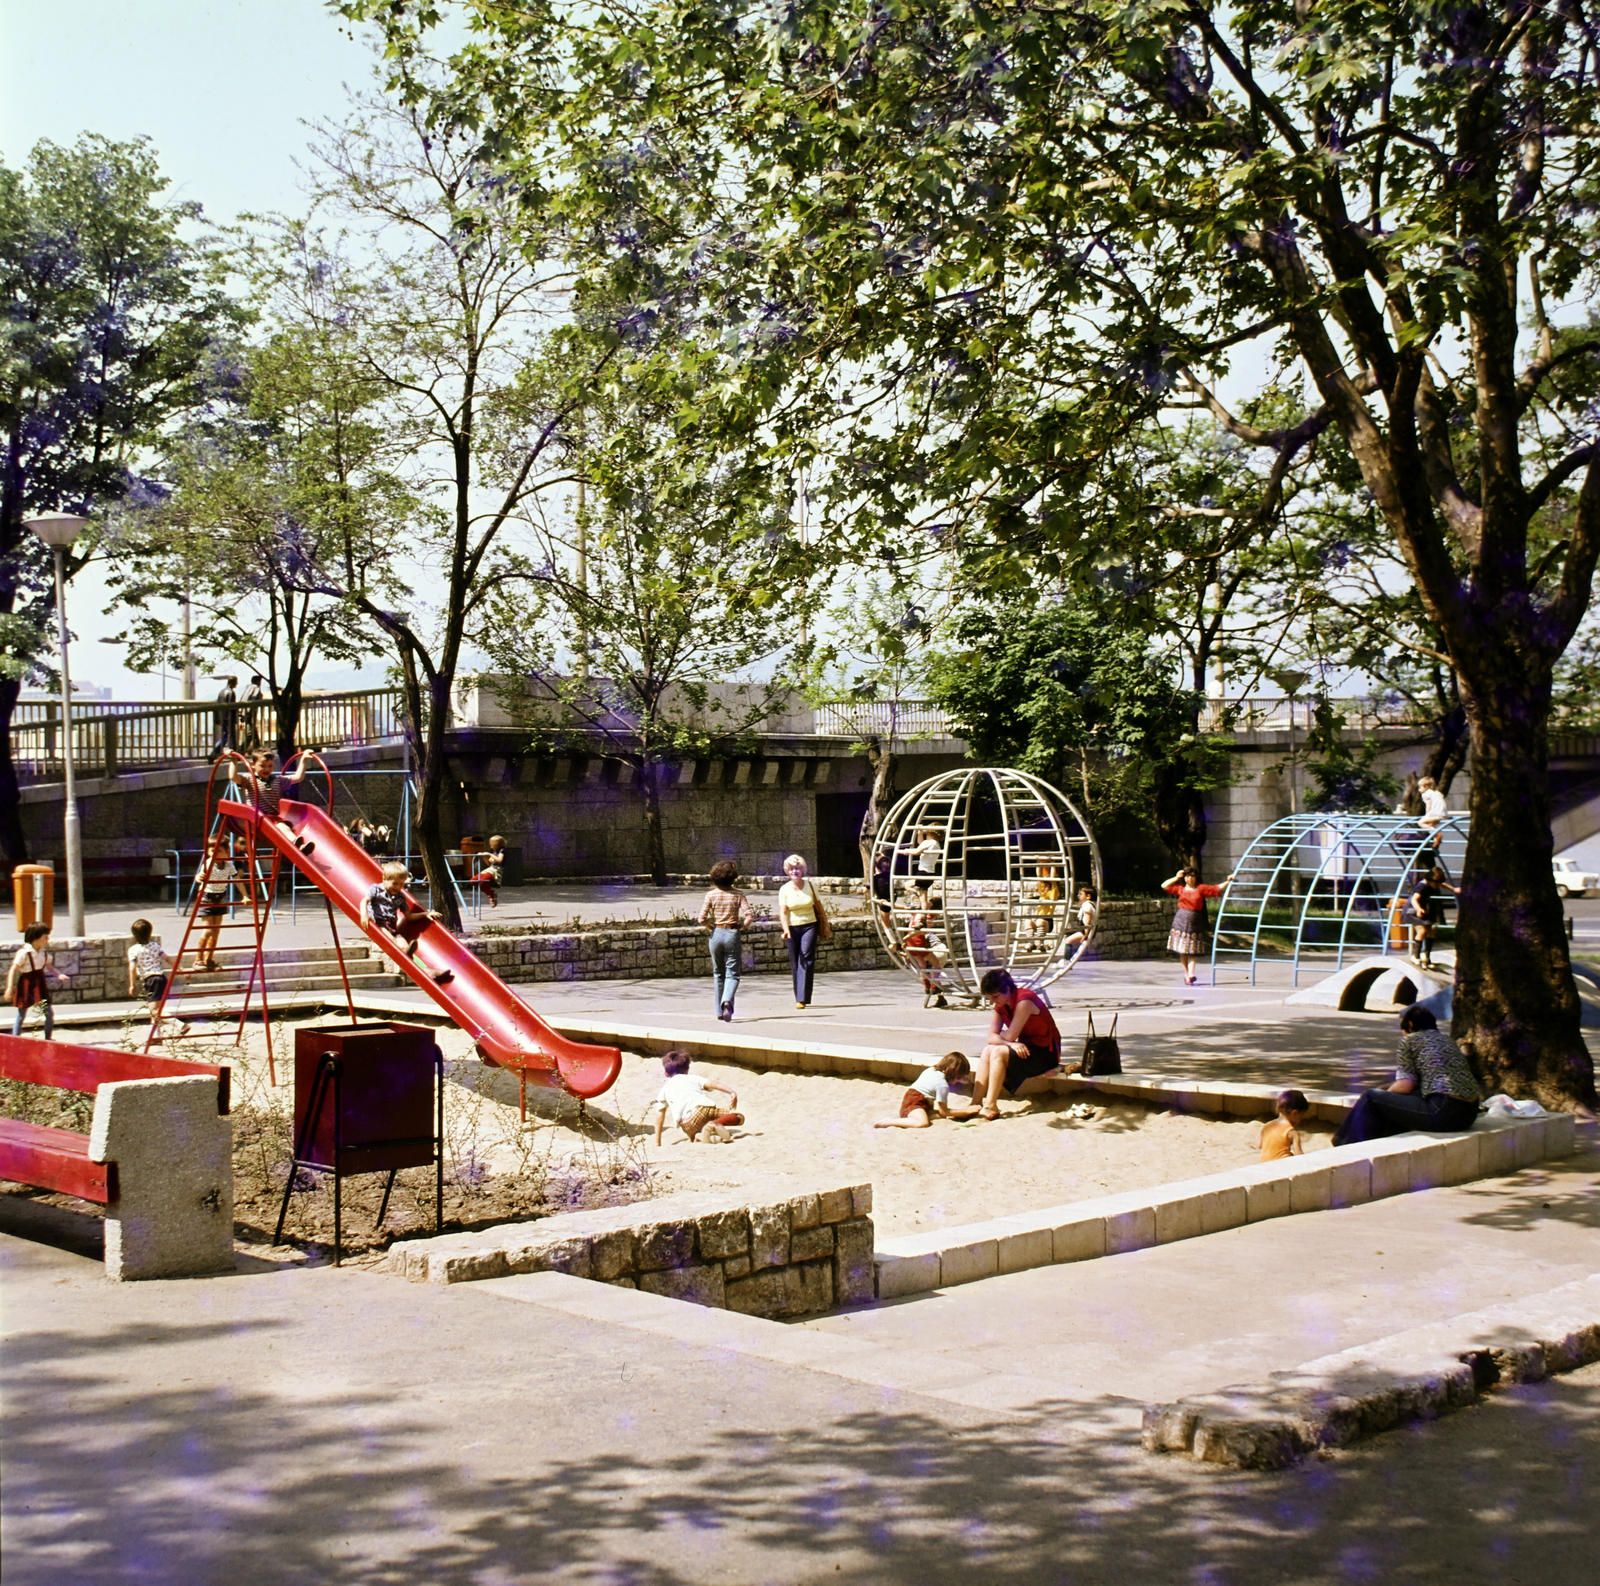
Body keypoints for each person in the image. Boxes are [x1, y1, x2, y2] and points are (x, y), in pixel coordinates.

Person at [1332, 1006, 1481, 1146]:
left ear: (1410, 1024)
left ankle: (1342, 1144)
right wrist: (1385, 1093)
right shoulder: (1448, 1041)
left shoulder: (1409, 1040)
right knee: (1390, 1099)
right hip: (1469, 1114)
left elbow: (1404, 1086)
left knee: (1370, 1097)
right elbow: (1417, 1085)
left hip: (1443, 1111)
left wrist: (1382, 1098)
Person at [971, 968, 1062, 1120]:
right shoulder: (1000, 1006)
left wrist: (1006, 1040)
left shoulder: (1024, 1001)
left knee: (998, 1051)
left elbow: (1010, 1035)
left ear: (1007, 989)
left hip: (1045, 1053)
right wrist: (1010, 1044)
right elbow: (991, 1038)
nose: (993, 1001)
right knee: (988, 1050)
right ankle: (975, 1102)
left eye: (995, 996)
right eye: (990, 998)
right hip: (1026, 1049)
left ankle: (990, 1104)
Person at [361, 863, 455, 985]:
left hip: (393, 928)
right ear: (384, 879)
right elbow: (365, 900)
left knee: (405, 948)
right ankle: (427, 970)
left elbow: (409, 916)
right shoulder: (376, 889)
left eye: (401, 884)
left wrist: (425, 914)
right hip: (379, 924)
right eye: (395, 883)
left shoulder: (400, 897)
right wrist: (364, 914)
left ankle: (426, 970)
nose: (398, 887)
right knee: (395, 944)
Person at [699, 859, 755, 1021]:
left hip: (716, 932)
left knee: (718, 972)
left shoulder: (711, 895)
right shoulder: (738, 895)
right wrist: (742, 926)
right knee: (733, 973)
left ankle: (719, 1010)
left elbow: (701, 918)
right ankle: (727, 1001)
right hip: (732, 933)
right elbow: (749, 915)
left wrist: (712, 927)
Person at [1162, 867, 1235, 986]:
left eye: (1191, 876)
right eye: (1187, 876)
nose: (1189, 879)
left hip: (1194, 921)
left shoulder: (1200, 889)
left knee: (1192, 950)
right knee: (1183, 951)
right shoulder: (1180, 889)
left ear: (1196, 878)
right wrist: (1176, 877)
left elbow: (1216, 888)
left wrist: (1228, 881)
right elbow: (1164, 885)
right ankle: (1186, 974)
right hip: (1181, 920)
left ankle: (1191, 974)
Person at [651, 1050, 744, 1144]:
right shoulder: (692, 1078)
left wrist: (657, 1143)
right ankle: (714, 1124)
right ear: (687, 1069)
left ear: (666, 1073)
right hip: (702, 1111)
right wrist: (731, 1092)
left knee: (697, 1132)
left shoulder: (664, 1089)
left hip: (687, 1125)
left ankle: (701, 1136)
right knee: (739, 1117)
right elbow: (711, 1083)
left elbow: (660, 1116)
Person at [874, 1052, 980, 1128]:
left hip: (914, 1098)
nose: (959, 1081)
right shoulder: (942, 1084)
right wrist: (965, 1111)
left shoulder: (932, 1070)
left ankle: (922, 1114)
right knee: (922, 1123)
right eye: (959, 1077)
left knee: (935, 1115)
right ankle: (890, 1121)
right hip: (915, 1102)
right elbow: (944, 1111)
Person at [779, 853, 830, 1008]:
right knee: (795, 961)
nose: (795, 871)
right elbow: (782, 913)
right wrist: (786, 930)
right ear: (788, 871)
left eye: (798, 868)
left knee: (806, 957)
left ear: (803, 870)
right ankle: (799, 996)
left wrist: (826, 924)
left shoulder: (810, 886)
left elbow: (819, 907)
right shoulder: (784, 889)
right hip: (792, 928)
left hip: (810, 925)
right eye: (792, 868)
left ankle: (802, 997)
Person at [247, 751, 315, 857]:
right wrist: (233, 761)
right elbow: (233, 777)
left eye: (270, 766)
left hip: (273, 818)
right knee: (282, 827)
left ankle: (298, 846)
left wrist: (303, 760)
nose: (266, 769)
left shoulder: (277, 780)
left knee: (284, 827)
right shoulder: (249, 779)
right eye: (262, 766)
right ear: (252, 765)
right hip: (257, 819)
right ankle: (294, 842)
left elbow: (298, 777)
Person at [126, 918, 187, 1036]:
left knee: (155, 1011)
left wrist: (132, 984)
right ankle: (156, 1035)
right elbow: (168, 958)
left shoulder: (133, 950)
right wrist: (182, 969)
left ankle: (179, 1024)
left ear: (134, 935)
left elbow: (132, 968)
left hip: (150, 980)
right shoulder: (155, 946)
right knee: (155, 1008)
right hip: (161, 978)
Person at [6, 922, 65, 1039]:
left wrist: (59, 975)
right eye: (45, 937)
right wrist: (9, 987)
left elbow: (49, 967)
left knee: (48, 1013)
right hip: (26, 984)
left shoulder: (43, 953)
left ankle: (48, 1038)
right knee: (21, 1014)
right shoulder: (24, 953)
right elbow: (13, 969)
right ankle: (15, 1038)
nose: (47, 940)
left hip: (40, 984)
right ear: (36, 937)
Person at [192, 833, 240, 971]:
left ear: (226, 852)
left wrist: (245, 895)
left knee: (216, 931)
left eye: (218, 851)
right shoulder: (208, 863)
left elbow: (237, 879)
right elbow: (199, 876)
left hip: (220, 898)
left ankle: (209, 959)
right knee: (207, 930)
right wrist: (199, 877)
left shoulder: (228, 865)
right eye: (212, 850)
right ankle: (198, 959)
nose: (214, 853)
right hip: (207, 897)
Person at [1404, 865, 1459, 968]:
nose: (1437, 886)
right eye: (1436, 884)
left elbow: (1443, 885)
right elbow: (1414, 899)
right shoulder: (1422, 886)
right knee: (1422, 931)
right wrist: (1418, 909)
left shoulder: (1432, 883)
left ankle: (1426, 957)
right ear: (1429, 879)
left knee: (1432, 929)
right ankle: (1415, 956)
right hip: (1412, 911)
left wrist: (1454, 889)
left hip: (1421, 910)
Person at [902, 912, 947, 1007]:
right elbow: (921, 930)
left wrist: (906, 940)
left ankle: (928, 985)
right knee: (935, 964)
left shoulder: (913, 919)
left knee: (922, 963)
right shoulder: (924, 919)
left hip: (912, 945)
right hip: (929, 946)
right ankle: (934, 986)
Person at [1257, 1089, 1309, 1161]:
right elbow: (1299, 1154)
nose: (1301, 1119)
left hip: (1264, 1165)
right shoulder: (1291, 1132)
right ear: (1294, 1113)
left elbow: (1259, 1145)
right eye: (1301, 1116)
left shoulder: (1267, 1126)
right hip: (1280, 1166)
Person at [472, 834, 508, 908]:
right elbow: (489, 863)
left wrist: (490, 854)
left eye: (492, 845)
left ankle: (491, 896)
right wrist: (484, 856)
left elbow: (499, 860)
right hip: (491, 868)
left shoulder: (502, 851)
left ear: (497, 845)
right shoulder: (494, 852)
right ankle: (491, 893)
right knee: (474, 880)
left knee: (483, 880)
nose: (491, 847)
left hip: (497, 870)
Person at [1062, 884, 1098, 954]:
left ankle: (1065, 959)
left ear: (1088, 896)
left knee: (1068, 940)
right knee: (1079, 946)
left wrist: (1086, 934)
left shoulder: (1087, 905)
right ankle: (1069, 959)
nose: (1078, 896)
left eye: (1081, 894)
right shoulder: (1091, 904)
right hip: (1088, 930)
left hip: (1086, 930)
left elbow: (1088, 920)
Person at [1030, 864, 1063, 939]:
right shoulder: (1042, 894)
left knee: (1040, 922)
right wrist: (1038, 862)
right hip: (1038, 918)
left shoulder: (1053, 893)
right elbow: (1038, 876)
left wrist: (1053, 863)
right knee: (1028, 922)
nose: (1043, 888)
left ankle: (1040, 943)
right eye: (1043, 886)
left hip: (1047, 920)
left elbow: (1053, 879)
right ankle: (1031, 943)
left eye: (1046, 886)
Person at [210, 676, 239, 757]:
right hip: (229, 718)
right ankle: (234, 754)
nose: (237, 684)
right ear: (233, 682)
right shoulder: (230, 692)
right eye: (236, 682)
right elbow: (231, 706)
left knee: (225, 736)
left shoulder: (222, 692)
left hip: (222, 717)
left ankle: (214, 753)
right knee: (232, 737)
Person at [237, 674, 266, 752]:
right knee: (250, 733)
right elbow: (258, 700)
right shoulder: (255, 688)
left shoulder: (248, 687)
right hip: (250, 713)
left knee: (253, 731)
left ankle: (258, 748)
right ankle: (242, 750)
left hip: (244, 713)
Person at [911, 827, 942, 898]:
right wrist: (920, 832)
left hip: (923, 873)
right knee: (923, 897)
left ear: (929, 833)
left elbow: (916, 851)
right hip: (930, 873)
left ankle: (915, 897)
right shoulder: (936, 844)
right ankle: (924, 907)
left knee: (907, 885)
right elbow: (921, 844)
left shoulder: (927, 843)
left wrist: (906, 851)